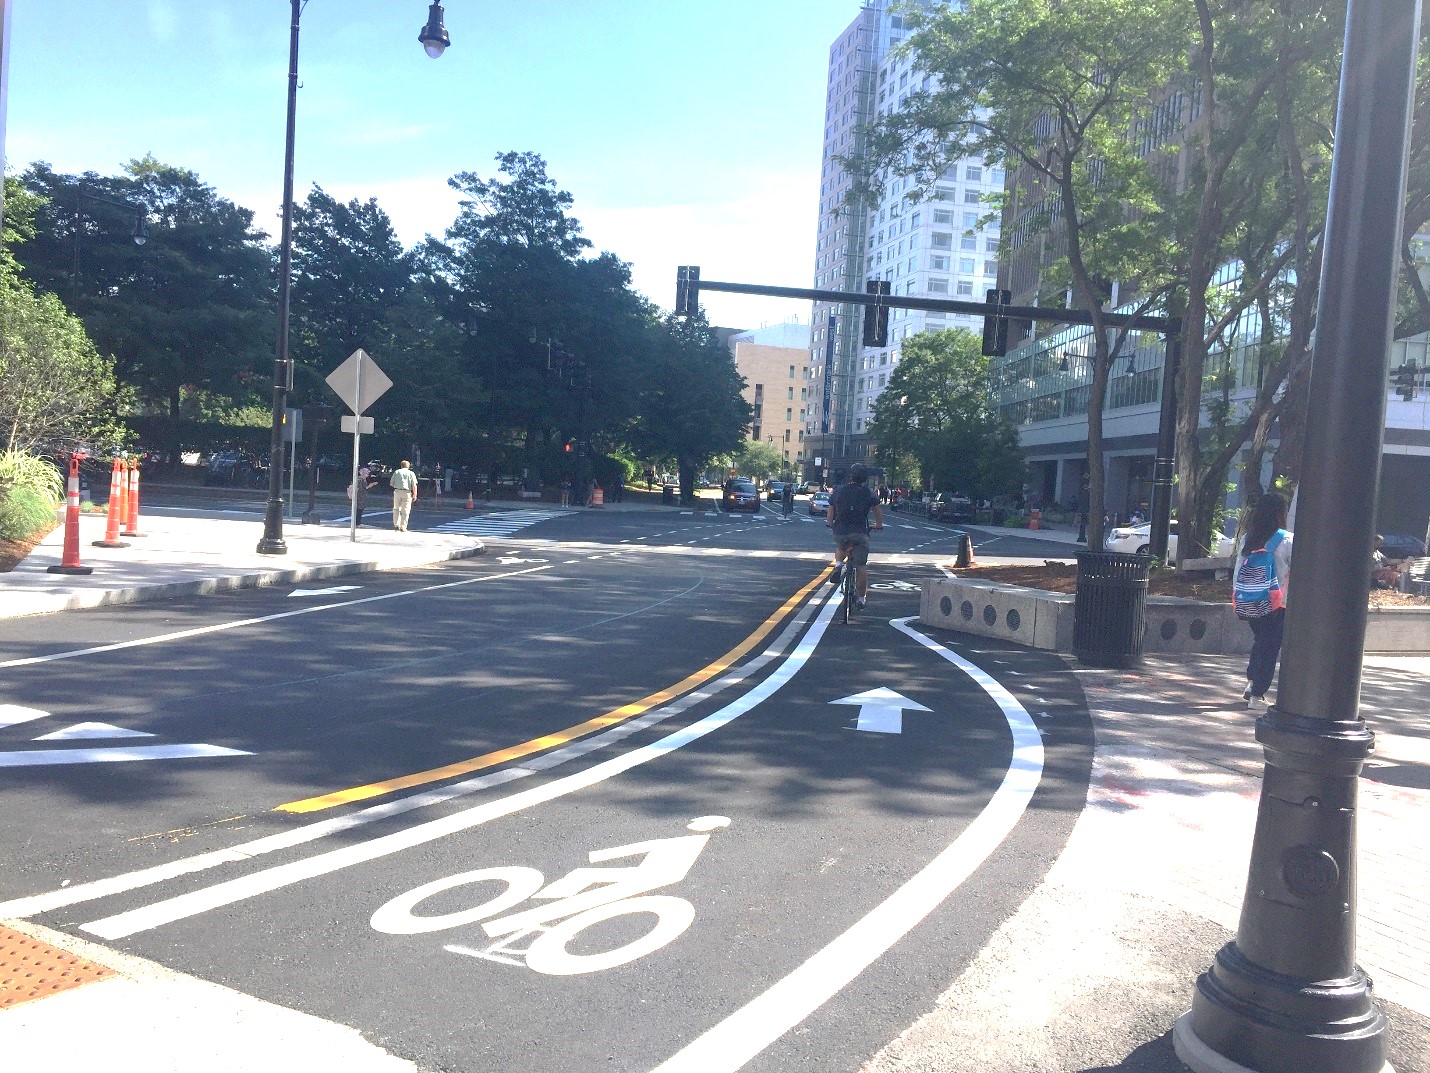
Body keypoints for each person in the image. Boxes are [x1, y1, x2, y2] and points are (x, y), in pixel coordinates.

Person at [1234, 491, 1293, 709]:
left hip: (1249, 599)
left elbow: (1238, 570)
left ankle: (1251, 683)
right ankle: (1257, 694)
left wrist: (1237, 596)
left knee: (1260, 642)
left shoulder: (1248, 538)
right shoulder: (1286, 539)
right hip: (1277, 602)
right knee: (1269, 647)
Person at [826, 463, 885, 609]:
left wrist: (830, 523)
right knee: (861, 566)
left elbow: (831, 508)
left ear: (850, 476)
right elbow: (877, 510)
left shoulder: (839, 490)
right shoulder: (868, 492)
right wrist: (878, 524)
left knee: (841, 545)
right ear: (864, 478)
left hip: (841, 531)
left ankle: (838, 565)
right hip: (860, 532)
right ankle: (861, 598)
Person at [390, 459, 418, 532]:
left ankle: (396, 525)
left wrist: (397, 485)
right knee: (406, 510)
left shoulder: (397, 472)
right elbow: (414, 485)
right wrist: (415, 494)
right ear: (408, 466)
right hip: (407, 492)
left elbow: (391, 483)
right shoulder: (411, 473)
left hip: (397, 491)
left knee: (396, 508)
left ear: (401, 465)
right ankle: (403, 526)